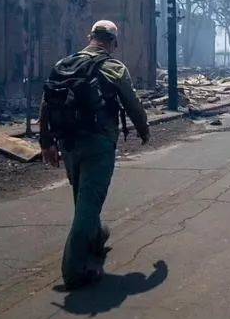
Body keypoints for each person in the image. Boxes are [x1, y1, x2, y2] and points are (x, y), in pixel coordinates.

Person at [40, 20, 150, 290]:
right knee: (89, 202)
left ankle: (97, 237)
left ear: (90, 37)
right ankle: (74, 271)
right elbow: (132, 104)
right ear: (112, 42)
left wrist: (46, 142)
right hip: (99, 143)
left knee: (83, 197)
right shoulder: (114, 67)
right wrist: (144, 130)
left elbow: (46, 102)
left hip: (67, 143)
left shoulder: (63, 64)